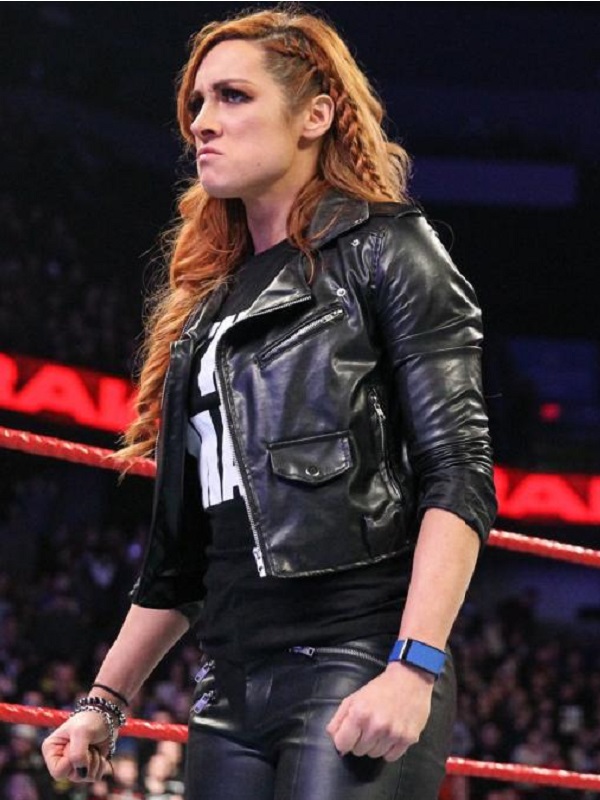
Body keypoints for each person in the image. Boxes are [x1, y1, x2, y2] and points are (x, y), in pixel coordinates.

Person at [41, 6, 497, 799]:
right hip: (226, 686)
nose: (202, 123)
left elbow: (458, 470)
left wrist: (412, 666)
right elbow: (183, 554)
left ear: (314, 116)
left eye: (233, 96)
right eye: (197, 103)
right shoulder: (206, 313)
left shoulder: (386, 250)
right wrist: (103, 703)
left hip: (354, 656)